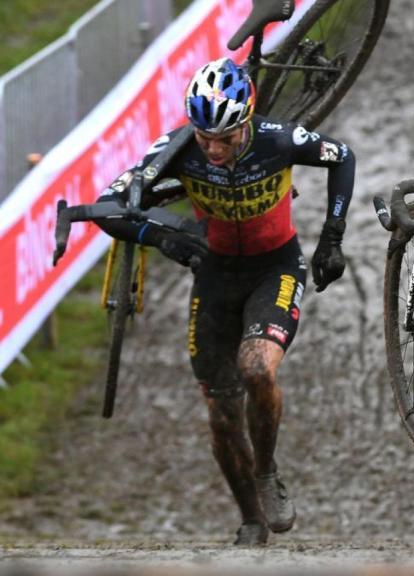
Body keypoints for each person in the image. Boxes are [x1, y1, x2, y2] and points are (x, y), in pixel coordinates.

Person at [93, 58, 355, 545]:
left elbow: (342, 157)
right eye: (203, 136)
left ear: (247, 122)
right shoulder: (174, 149)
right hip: (213, 277)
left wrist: (331, 239)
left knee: (257, 368)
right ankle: (251, 520)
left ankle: (267, 471)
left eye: (226, 137)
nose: (213, 148)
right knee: (221, 413)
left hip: (274, 267)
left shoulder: (278, 139)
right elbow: (109, 208)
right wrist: (163, 236)